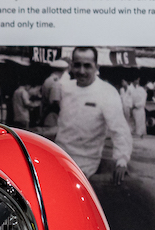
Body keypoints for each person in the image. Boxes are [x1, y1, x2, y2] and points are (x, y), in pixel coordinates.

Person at [56, 46, 132, 184]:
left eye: (87, 66)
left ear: (96, 67)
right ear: (72, 66)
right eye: (77, 65)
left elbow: (119, 129)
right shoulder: (65, 88)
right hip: (58, 159)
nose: (82, 71)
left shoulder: (106, 92)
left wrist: (122, 160)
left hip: (85, 165)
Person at [120, 72, 148, 138]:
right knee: (131, 124)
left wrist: (135, 105)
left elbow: (142, 102)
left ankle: (140, 137)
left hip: (139, 109)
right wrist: (130, 106)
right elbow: (128, 99)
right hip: (131, 109)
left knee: (140, 125)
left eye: (138, 80)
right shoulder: (129, 89)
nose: (137, 81)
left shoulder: (141, 90)